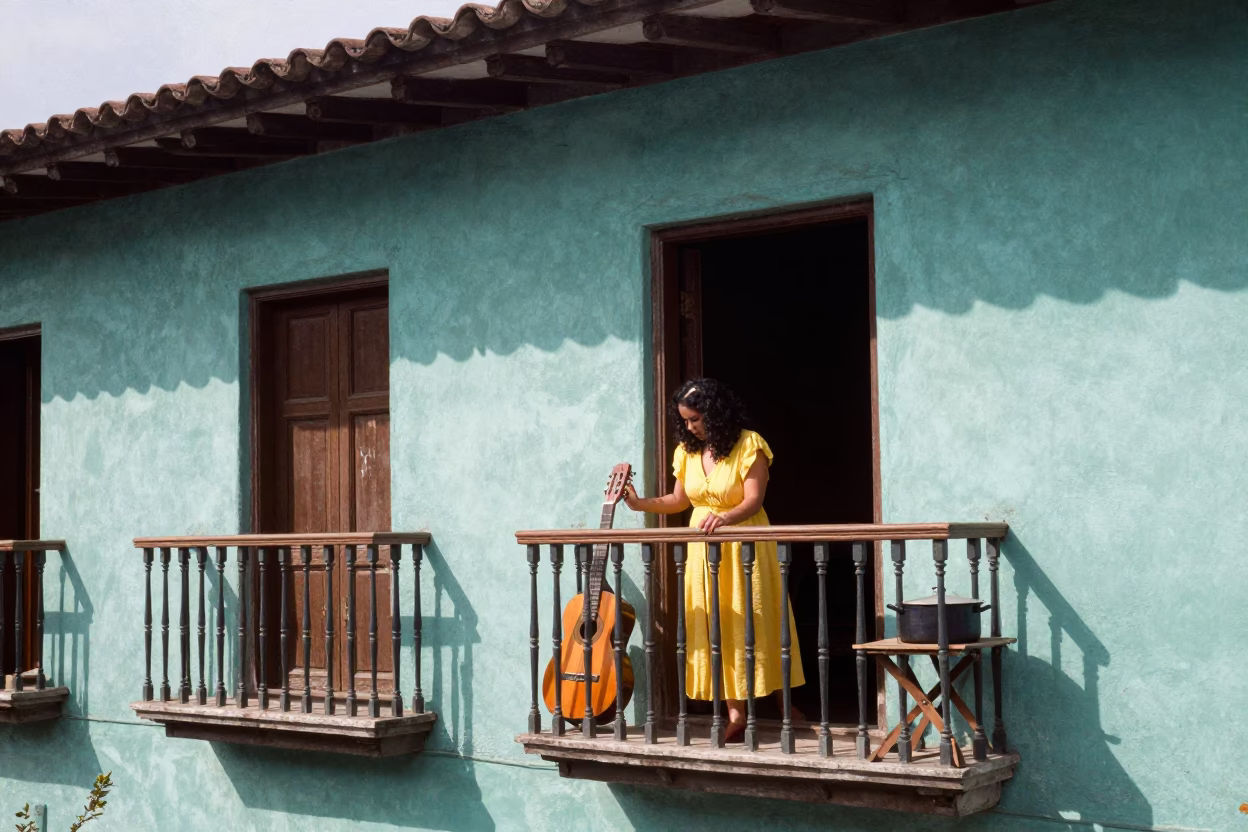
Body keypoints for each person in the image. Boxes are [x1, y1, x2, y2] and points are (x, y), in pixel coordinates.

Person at [622, 378, 804, 741]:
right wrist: (639, 503)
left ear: (716, 414)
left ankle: (785, 704)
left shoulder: (750, 444)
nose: (691, 427)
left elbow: (753, 499)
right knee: (718, 624)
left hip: (745, 544)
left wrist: (724, 517)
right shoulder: (687, 452)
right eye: (686, 421)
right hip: (703, 551)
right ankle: (735, 712)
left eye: (696, 419)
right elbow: (679, 501)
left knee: (760, 616)